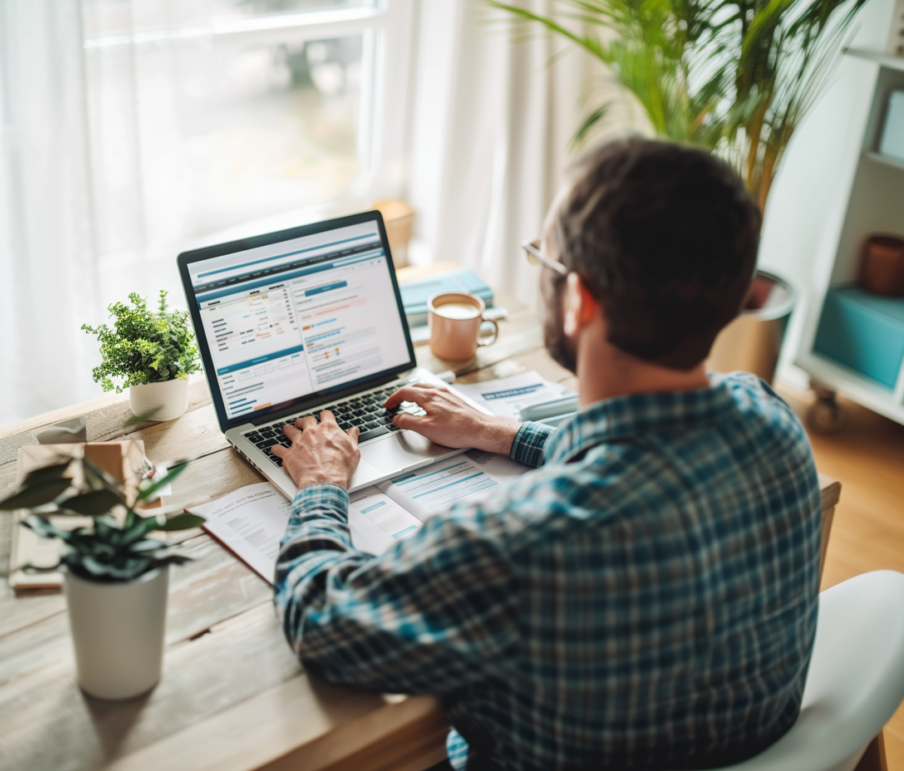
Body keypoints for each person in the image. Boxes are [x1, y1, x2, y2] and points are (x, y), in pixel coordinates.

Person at [270, 137, 822, 771]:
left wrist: (318, 486)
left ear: (579, 300)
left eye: (543, 258)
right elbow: (652, 454)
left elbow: (322, 619)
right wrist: (502, 433)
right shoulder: (772, 423)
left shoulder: (524, 540)